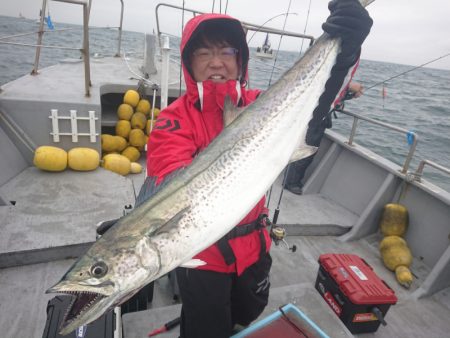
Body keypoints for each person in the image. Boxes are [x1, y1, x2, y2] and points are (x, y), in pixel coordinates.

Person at [138, 1, 372, 337]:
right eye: (204, 53)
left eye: (227, 51)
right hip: (203, 257)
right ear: (189, 63)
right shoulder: (172, 120)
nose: (216, 62)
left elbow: (318, 102)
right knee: (205, 328)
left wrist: (344, 51)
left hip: (255, 246)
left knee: (248, 314)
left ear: (241, 59)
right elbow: (170, 182)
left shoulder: (262, 102)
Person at [284, 81, 365, 195]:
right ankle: (290, 183)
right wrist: (348, 86)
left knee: (307, 152)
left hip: (317, 121)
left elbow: (333, 96)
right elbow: (328, 86)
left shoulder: (336, 87)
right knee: (305, 152)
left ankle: (292, 180)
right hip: (313, 122)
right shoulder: (331, 81)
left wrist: (349, 94)